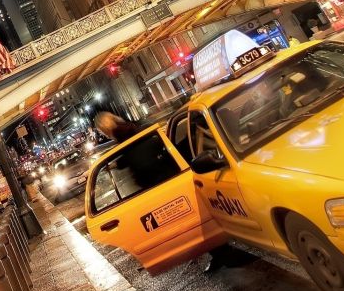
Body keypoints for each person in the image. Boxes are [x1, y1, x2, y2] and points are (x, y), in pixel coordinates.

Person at [94, 111, 240, 274]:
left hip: (164, 181)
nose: (104, 134)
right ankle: (221, 253)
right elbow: (133, 151)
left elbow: (137, 154)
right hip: (167, 178)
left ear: (105, 127)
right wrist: (117, 164)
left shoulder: (124, 134)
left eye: (102, 131)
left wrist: (121, 164)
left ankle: (227, 254)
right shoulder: (130, 129)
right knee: (192, 220)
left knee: (191, 220)